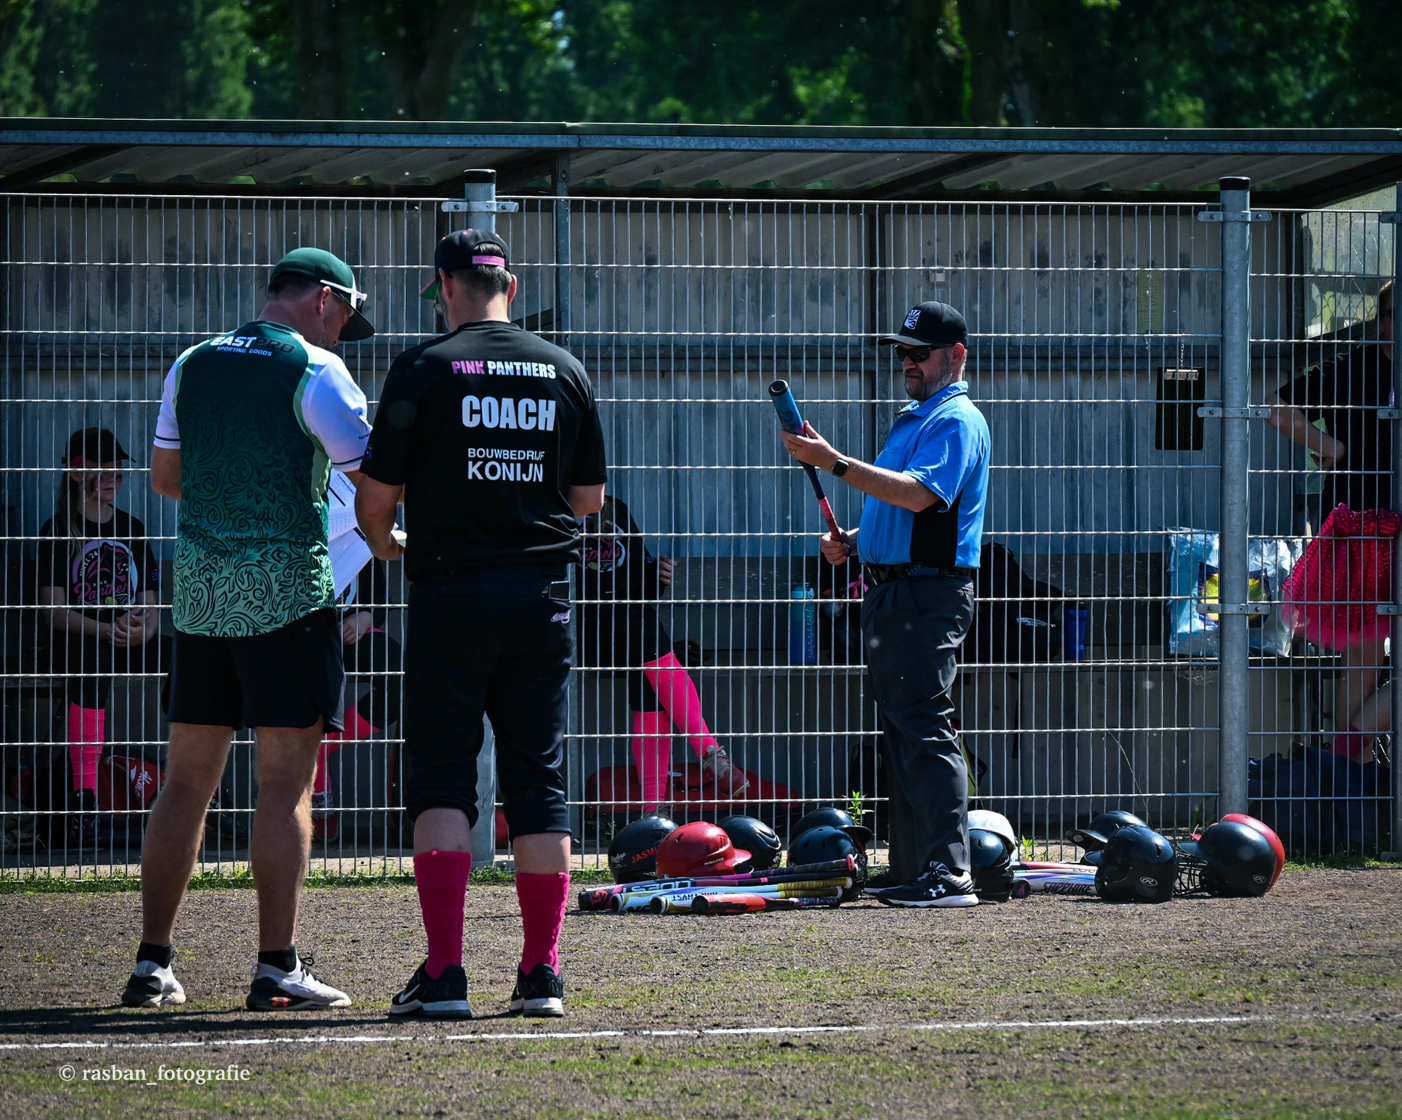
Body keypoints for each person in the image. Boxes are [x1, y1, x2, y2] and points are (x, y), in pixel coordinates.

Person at [357, 228, 606, 1019]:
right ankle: (541, 974)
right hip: (541, 598)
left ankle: (445, 975)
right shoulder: (564, 370)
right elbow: (589, 500)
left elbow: (376, 498)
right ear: (513, 283)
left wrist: (386, 544)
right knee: (538, 781)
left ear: (444, 286)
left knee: (441, 778)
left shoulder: (425, 368)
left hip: (449, 597)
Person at [121, 247, 375, 1011]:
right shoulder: (319, 372)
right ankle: (276, 965)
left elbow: (167, 480)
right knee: (283, 785)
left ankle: (151, 962)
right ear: (326, 300)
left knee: (185, 786)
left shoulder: (192, 362)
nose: (342, 336)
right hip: (288, 600)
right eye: (346, 320)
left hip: (199, 599)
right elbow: (371, 482)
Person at [780, 300, 989, 908]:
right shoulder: (915, 418)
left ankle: (950, 874)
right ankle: (913, 868)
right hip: (893, 590)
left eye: (918, 353)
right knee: (902, 734)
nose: (908, 363)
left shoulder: (956, 419)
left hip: (928, 595)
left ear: (956, 356)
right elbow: (896, 506)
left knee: (925, 729)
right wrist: (855, 541)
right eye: (902, 353)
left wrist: (836, 463)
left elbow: (921, 496)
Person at [1266, 280, 1395, 737]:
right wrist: (1332, 447)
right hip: (1361, 530)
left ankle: (1346, 756)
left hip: (1378, 531)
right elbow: (1278, 408)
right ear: (1385, 325)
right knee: (1363, 656)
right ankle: (1349, 767)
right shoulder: (1352, 368)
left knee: (1366, 657)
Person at [37, 428, 169, 847]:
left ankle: (192, 780)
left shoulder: (133, 527)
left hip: (125, 640)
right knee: (92, 659)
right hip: (81, 641)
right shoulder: (56, 529)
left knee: (187, 654)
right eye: (103, 469)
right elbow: (53, 611)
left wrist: (143, 630)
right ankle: (85, 798)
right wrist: (105, 629)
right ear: (77, 474)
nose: (115, 477)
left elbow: (151, 605)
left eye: (118, 469)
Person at [579, 494, 748, 811]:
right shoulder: (546, 506)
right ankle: (710, 752)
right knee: (642, 633)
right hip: (577, 630)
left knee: (644, 653)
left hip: (631, 631)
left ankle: (654, 808)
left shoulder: (614, 508)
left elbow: (642, 587)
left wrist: (658, 573)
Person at [312, 468, 405, 843]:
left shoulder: (365, 520)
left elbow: (377, 600)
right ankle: (314, 788)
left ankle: (324, 746)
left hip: (351, 635)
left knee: (397, 673)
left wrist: (365, 618)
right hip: (308, 635)